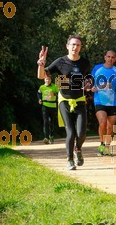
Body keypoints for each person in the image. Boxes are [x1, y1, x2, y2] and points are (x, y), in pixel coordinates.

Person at [37, 35, 91, 170]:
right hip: (64, 101)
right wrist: (41, 64)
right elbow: (41, 76)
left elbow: (88, 78)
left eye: (78, 45)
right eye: (73, 44)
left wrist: (88, 84)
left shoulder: (85, 63)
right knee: (71, 132)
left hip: (79, 100)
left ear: (80, 48)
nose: (75, 47)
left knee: (82, 133)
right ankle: (70, 160)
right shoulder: (60, 62)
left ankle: (77, 149)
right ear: (67, 46)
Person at [91, 50, 116, 156]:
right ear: (105, 57)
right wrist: (91, 87)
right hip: (99, 100)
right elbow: (89, 81)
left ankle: (107, 147)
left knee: (111, 127)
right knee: (102, 123)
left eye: (113, 57)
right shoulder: (97, 68)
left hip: (112, 102)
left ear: (115, 59)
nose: (110, 59)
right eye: (108, 57)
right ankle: (102, 144)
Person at [37, 76, 59, 144]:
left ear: (50, 80)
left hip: (52, 106)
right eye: (46, 79)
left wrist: (54, 94)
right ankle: (46, 137)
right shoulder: (42, 87)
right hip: (45, 106)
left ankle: (51, 136)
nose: (47, 80)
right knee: (45, 121)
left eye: (49, 79)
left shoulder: (55, 86)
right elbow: (38, 93)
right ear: (44, 80)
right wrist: (39, 99)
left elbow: (60, 94)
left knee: (51, 122)